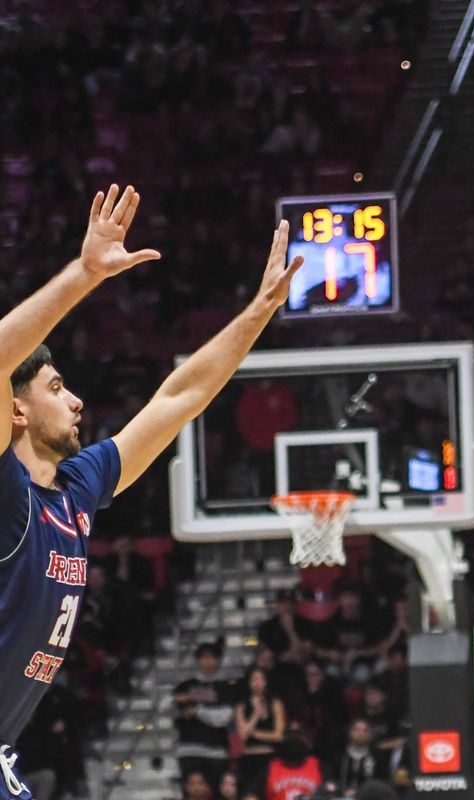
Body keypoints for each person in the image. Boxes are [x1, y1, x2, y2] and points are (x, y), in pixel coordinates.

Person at [0, 184, 302, 798]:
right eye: (56, 388)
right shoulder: (6, 486)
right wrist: (84, 275)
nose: (77, 399)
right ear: (17, 410)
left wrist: (257, 315)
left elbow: (178, 397)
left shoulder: (76, 487)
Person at [173, 643, 237, 794]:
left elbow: (223, 718)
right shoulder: (185, 686)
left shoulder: (226, 688)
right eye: (203, 657)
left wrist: (196, 711)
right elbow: (166, 708)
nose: (207, 661)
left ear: (218, 660)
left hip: (216, 751)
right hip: (188, 750)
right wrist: (175, 701)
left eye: (211, 657)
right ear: (197, 660)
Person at [234, 667, 287, 795]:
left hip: (268, 756)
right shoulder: (242, 705)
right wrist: (256, 714)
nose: (258, 683)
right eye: (254, 680)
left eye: (261, 679)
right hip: (248, 756)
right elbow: (241, 736)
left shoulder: (275, 703)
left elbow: (278, 735)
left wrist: (253, 732)